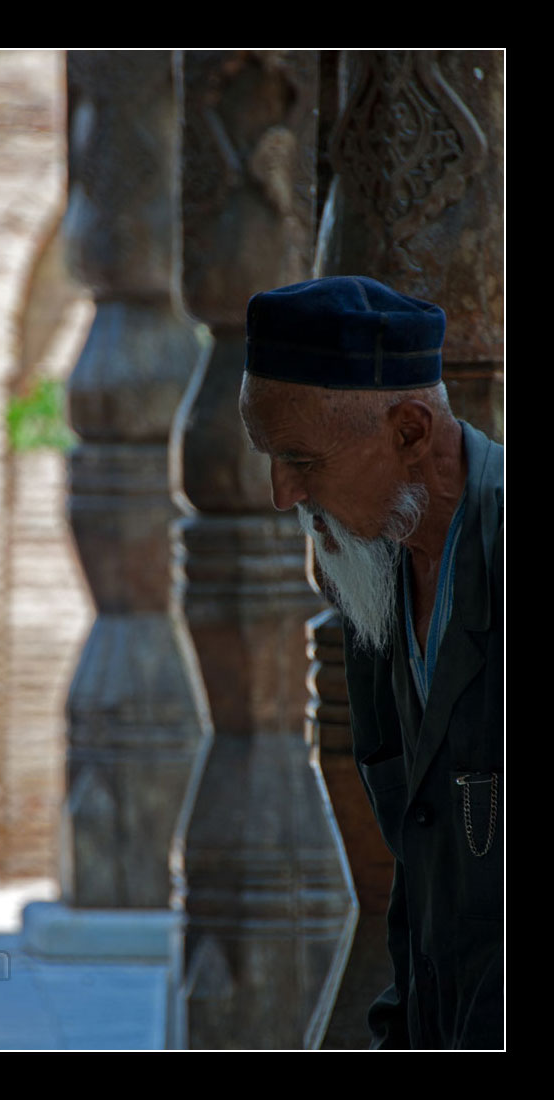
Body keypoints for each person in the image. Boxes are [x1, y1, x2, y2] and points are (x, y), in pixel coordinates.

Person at [238, 276, 503, 1050]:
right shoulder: (375, 578)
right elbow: (423, 887)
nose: (282, 493)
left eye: (300, 459)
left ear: (411, 433)